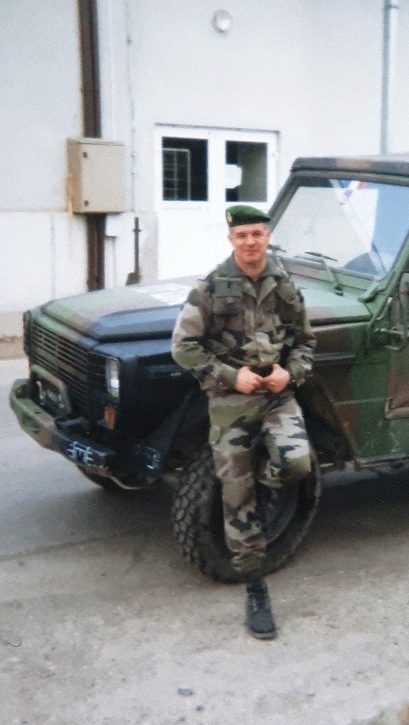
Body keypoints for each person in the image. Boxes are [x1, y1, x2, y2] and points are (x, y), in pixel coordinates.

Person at [171, 204, 316, 640]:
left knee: (296, 464)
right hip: (231, 401)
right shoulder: (211, 287)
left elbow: (305, 341)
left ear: (268, 236)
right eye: (242, 235)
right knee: (236, 493)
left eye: (257, 234)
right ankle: (255, 585)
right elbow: (184, 347)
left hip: (277, 397)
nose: (250, 242)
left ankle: (261, 484)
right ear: (231, 240)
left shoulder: (284, 285)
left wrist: (293, 373)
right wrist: (233, 376)